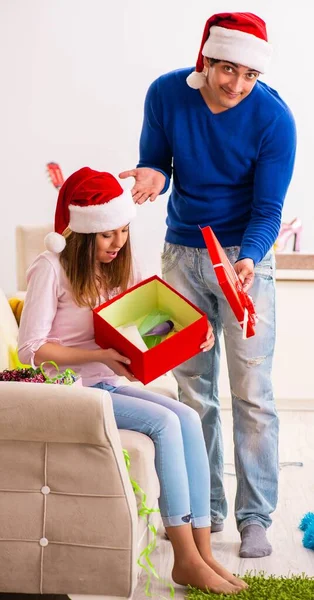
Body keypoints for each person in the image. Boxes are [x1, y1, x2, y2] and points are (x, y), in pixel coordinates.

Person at [18, 167, 248, 594]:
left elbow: (153, 319)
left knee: (188, 418)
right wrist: (99, 355)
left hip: (107, 384)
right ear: (84, 233)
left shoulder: (122, 264)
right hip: (68, 391)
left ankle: (203, 554)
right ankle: (183, 559)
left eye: (123, 231)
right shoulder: (50, 268)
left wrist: (192, 332)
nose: (118, 243)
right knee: (163, 425)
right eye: (107, 235)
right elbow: (31, 349)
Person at [119, 12, 297, 558]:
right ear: (205, 59)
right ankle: (207, 507)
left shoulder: (274, 119)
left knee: (253, 393)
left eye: (248, 74)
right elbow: (157, 161)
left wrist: (248, 258)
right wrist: (154, 174)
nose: (236, 85)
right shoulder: (166, 94)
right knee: (194, 391)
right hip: (181, 257)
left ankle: (255, 518)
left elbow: (268, 209)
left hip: (245, 262)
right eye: (226, 70)